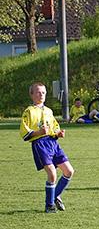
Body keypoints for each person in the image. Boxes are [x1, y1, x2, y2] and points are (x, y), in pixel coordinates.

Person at [20, 82, 75, 213]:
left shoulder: (49, 111)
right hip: (40, 144)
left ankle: (55, 195)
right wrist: (39, 132)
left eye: (43, 92)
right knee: (52, 174)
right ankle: (49, 205)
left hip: (53, 144)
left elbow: (54, 127)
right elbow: (24, 133)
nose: (41, 95)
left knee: (69, 171)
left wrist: (58, 134)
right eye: (38, 92)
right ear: (31, 94)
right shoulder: (29, 112)